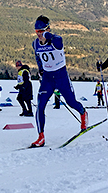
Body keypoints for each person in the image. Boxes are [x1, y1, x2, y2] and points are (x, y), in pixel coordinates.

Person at [31, 15, 88, 147]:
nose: (39, 34)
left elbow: (58, 40)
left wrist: (47, 34)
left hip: (61, 76)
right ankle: (41, 136)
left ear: (48, 30)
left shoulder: (55, 40)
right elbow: (38, 58)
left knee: (71, 102)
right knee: (40, 106)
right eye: (37, 31)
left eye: (42, 31)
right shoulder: (35, 44)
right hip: (47, 78)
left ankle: (83, 112)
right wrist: (40, 71)